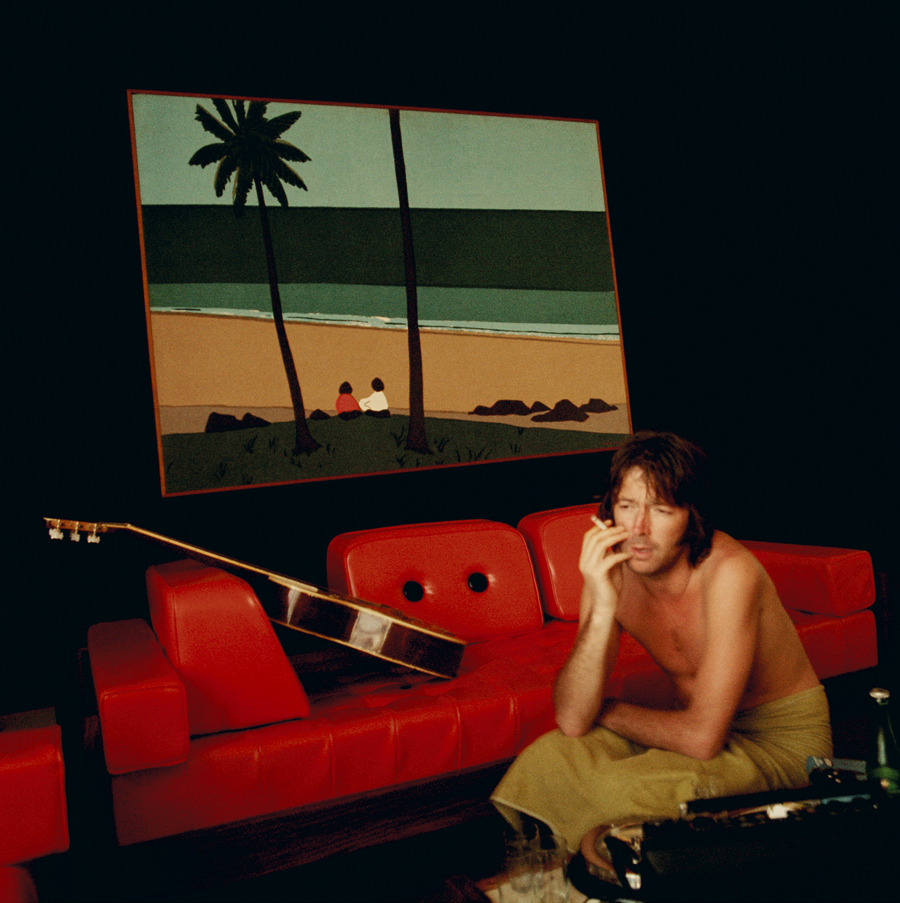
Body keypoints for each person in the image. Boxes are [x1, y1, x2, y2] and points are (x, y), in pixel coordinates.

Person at [491, 431, 831, 851]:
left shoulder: (729, 571)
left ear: (692, 516)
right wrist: (602, 605)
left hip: (778, 744)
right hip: (689, 727)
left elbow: (701, 739)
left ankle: (612, 872)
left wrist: (609, 709)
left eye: (661, 509)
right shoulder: (610, 573)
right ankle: (564, 872)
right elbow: (574, 719)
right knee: (547, 757)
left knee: (628, 792)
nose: (639, 528)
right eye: (627, 506)